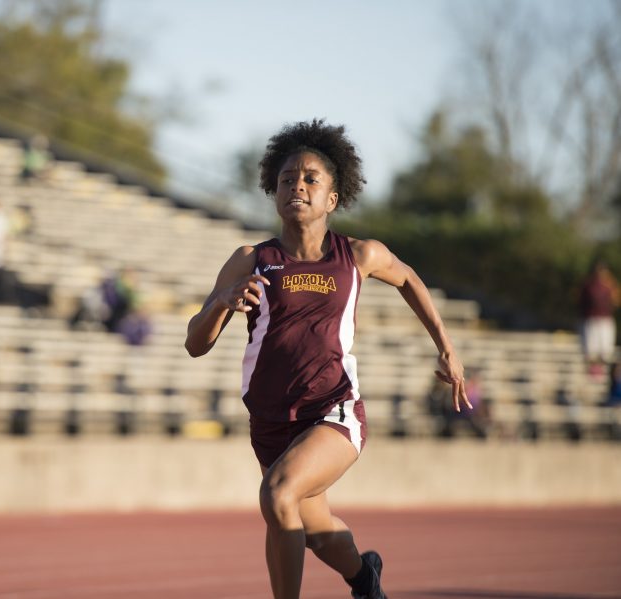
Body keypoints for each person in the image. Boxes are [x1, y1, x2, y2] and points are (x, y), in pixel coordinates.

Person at [185, 119, 470, 599]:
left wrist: (446, 345)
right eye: (286, 179)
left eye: (310, 178)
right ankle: (365, 576)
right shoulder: (251, 260)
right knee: (315, 531)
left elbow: (410, 279)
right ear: (273, 194)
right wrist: (221, 302)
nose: (296, 184)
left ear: (332, 198)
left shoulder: (359, 255)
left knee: (277, 495)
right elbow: (195, 343)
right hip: (271, 420)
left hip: (333, 411)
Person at [578, 260, 619, 377]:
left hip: (605, 319)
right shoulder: (587, 285)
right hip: (591, 319)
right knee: (591, 350)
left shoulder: (610, 285)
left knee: (605, 351)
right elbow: (580, 301)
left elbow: (615, 301)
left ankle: (601, 372)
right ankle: (593, 371)